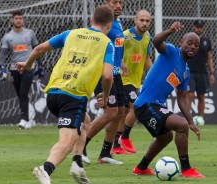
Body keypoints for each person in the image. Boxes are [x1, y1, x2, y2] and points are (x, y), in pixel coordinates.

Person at [15, 5, 114, 184]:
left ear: (91, 20)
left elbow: (38, 49)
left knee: (85, 121)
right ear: (109, 25)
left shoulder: (71, 33)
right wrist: (105, 97)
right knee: (67, 142)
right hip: (73, 95)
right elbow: (107, 76)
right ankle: (46, 169)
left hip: (53, 93)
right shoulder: (107, 43)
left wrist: (28, 64)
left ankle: (77, 164)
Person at [131, 21, 205, 178]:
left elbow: (182, 99)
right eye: (189, 43)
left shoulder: (185, 72)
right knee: (180, 125)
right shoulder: (171, 51)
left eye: (196, 45)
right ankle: (186, 169)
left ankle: (141, 168)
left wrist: (191, 121)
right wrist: (170, 30)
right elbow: (156, 41)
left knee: (166, 137)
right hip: (146, 104)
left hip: (153, 106)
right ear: (181, 43)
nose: (192, 46)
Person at [81, 0, 126, 164]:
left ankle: (105, 153)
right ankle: (81, 147)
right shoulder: (101, 24)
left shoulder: (118, 22)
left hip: (116, 73)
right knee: (110, 113)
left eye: (121, 2)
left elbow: (115, 47)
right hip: (103, 73)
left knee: (120, 112)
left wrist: (121, 63)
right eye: (115, 2)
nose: (119, 5)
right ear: (107, 3)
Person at [112, 9, 152, 154]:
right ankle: (125, 137)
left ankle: (116, 145)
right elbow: (115, 52)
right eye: (141, 20)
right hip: (123, 78)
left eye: (147, 21)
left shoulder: (147, 37)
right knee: (136, 106)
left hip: (135, 80)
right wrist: (121, 64)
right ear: (135, 20)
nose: (144, 23)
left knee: (124, 112)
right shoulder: (125, 36)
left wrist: (153, 73)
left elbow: (147, 58)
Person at [0, 10, 44, 129]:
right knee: (20, 95)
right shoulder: (8, 37)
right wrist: (2, 68)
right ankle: (27, 119)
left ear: (23, 20)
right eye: (16, 18)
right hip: (14, 68)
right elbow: (3, 54)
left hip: (28, 66)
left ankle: (24, 119)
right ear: (12, 20)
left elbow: (37, 50)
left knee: (23, 93)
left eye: (20, 18)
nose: (18, 20)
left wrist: (40, 65)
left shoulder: (30, 33)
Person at [187, 20, 215, 123]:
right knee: (189, 94)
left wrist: (212, 73)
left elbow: (209, 57)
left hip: (202, 72)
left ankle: (200, 118)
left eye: (201, 27)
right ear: (193, 27)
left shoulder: (206, 41)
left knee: (201, 95)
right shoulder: (188, 39)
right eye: (197, 26)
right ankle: (188, 118)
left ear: (203, 28)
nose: (199, 28)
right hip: (189, 71)